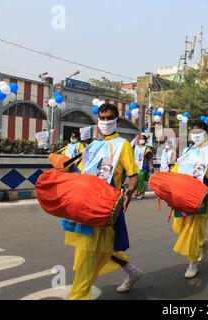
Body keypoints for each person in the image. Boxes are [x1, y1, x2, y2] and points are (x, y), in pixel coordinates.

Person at [64, 103, 142, 300]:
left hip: (107, 205)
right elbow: (81, 172)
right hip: (87, 203)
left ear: (116, 120)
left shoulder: (122, 145)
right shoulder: (92, 146)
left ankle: (79, 295)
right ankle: (132, 270)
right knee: (97, 247)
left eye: (109, 118)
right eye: (102, 118)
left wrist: (129, 192)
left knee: (89, 254)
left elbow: (133, 174)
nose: (105, 122)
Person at [170, 120, 208, 279]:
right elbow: (176, 171)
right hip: (182, 195)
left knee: (192, 231)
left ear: (205, 133)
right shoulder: (187, 151)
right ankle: (203, 243)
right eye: (193, 132)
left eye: (198, 132)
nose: (195, 135)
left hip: (201, 195)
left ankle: (192, 263)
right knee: (178, 228)